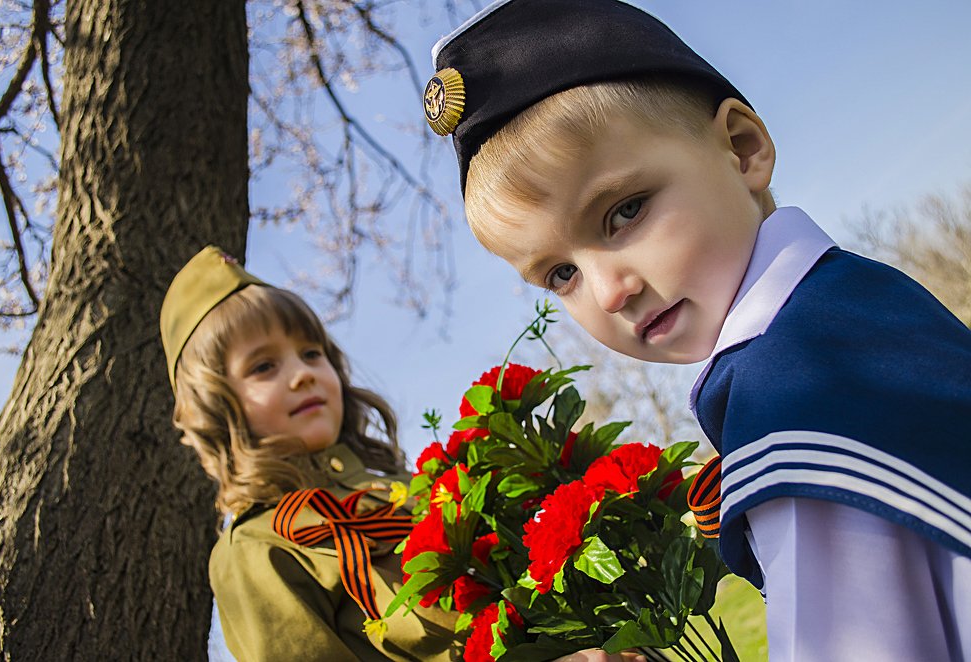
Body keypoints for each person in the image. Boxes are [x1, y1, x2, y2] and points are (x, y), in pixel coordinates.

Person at [423, 1, 971, 660]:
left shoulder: (791, 398)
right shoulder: (853, 308)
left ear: (742, 147)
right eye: (561, 274)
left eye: (625, 211)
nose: (610, 292)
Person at [160, 246, 642, 662]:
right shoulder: (256, 550)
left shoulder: (405, 489)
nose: (304, 374)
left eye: (311, 353)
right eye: (263, 366)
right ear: (215, 405)